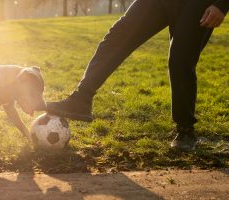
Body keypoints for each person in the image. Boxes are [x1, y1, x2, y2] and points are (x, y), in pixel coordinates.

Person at [47, 0, 228, 151]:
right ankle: (81, 98)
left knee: (180, 60)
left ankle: (185, 129)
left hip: (197, 4)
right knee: (119, 35)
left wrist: (222, 4)